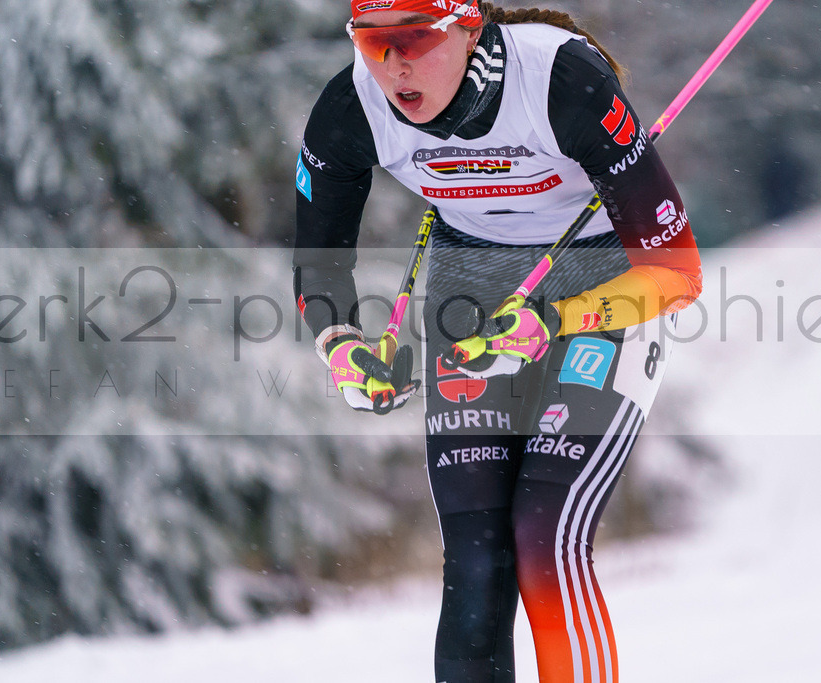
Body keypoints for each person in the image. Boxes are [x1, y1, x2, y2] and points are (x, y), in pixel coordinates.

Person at [293, 1, 702, 681]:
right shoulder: (350, 106)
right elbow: (318, 266)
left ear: (469, 29)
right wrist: (342, 347)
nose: (394, 66)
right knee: (478, 559)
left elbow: (678, 272)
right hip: (472, 280)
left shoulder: (560, 81)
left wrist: (554, 319)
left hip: (602, 278)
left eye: (415, 39)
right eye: (372, 43)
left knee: (547, 537)